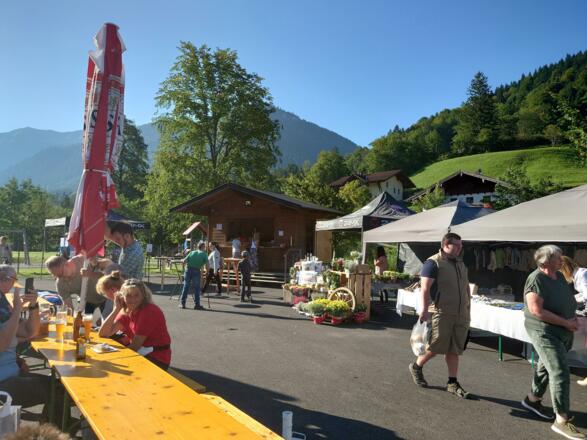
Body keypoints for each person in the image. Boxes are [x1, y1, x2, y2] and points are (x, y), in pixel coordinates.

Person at [520, 245, 585, 439]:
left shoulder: (559, 277)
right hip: (545, 332)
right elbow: (536, 310)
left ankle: (532, 399)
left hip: (562, 330)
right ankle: (561, 420)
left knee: (546, 365)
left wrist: (572, 318)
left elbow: (567, 300)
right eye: (558, 257)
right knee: (559, 371)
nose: (562, 260)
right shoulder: (536, 279)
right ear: (546, 261)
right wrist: (566, 322)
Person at [408, 232, 471, 399]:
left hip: (460, 313)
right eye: (456, 245)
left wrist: (468, 307)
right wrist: (423, 310)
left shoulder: (460, 263)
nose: (459, 248)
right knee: (436, 346)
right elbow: (425, 289)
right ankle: (416, 366)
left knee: (454, 349)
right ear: (445, 245)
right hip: (441, 312)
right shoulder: (433, 263)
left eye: (461, 245)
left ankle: (452, 382)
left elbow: (466, 287)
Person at [0, 265, 63, 421]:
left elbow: (30, 331)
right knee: (60, 391)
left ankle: (49, 427)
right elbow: (2, 343)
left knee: (59, 387)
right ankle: (52, 430)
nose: (14, 285)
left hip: (11, 373)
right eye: (14, 280)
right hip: (3, 385)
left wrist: (33, 306)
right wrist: (17, 310)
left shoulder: (2, 302)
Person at [99, 279, 172, 370]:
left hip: (157, 358)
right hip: (141, 353)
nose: (132, 299)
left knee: (111, 367)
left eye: (136, 295)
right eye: (128, 295)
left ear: (143, 296)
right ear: (122, 297)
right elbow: (104, 333)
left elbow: (135, 346)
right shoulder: (126, 311)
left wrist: (114, 358)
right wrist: (116, 309)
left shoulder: (149, 311)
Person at [45, 255, 109, 314]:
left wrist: (91, 274)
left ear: (67, 264)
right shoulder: (60, 284)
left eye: (60, 274)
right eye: (56, 276)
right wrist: (70, 317)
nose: (60, 278)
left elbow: (110, 274)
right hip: (88, 301)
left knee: (107, 320)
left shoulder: (83, 260)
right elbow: (69, 307)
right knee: (84, 320)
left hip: (107, 297)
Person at [561, 256, 587, 387]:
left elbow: (586, 295)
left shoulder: (581, 274)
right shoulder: (580, 274)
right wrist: (572, 298)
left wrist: (572, 300)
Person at [180, 241, 208, 310]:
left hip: (188, 270)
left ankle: (182, 303)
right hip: (196, 270)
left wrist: (183, 262)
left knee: (186, 286)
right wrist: (207, 271)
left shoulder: (192, 252)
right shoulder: (204, 254)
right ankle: (197, 305)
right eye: (205, 247)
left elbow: (184, 261)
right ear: (203, 247)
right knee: (196, 288)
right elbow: (207, 265)